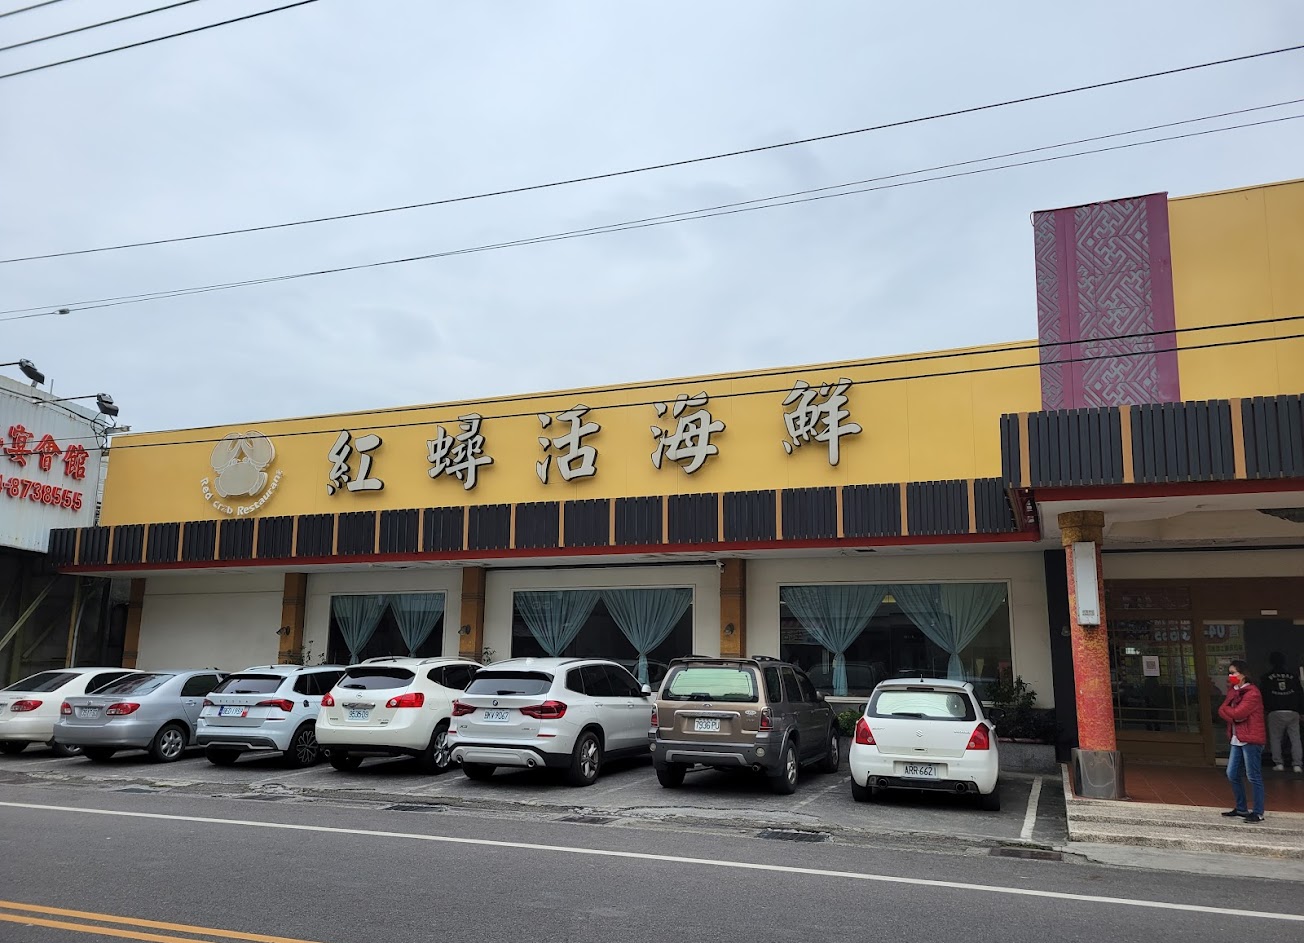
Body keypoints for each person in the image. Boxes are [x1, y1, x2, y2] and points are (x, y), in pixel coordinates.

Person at [1218, 659, 1267, 822]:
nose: (1230, 676)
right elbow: (1223, 711)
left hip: (1251, 739)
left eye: (1233, 673)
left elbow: (1238, 713)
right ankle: (1241, 808)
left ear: (1243, 675)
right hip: (1236, 737)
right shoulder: (1233, 691)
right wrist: (1232, 716)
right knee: (1232, 773)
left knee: (1253, 776)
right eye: (1229, 673)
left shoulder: (1252, 693)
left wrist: (1231, 714)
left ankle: (1258, 812)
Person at [1263, 652, 1303, 773]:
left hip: (1275, 711)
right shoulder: (1293, 676)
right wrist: (1301, 711)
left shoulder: (1266, 677)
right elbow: (1300, 694)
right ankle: (1297, 764)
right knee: (1295, 738)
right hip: (1292, 711)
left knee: (1275, 738)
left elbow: (1264, 694)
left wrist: (1266, 709)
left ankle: (1279, 763)